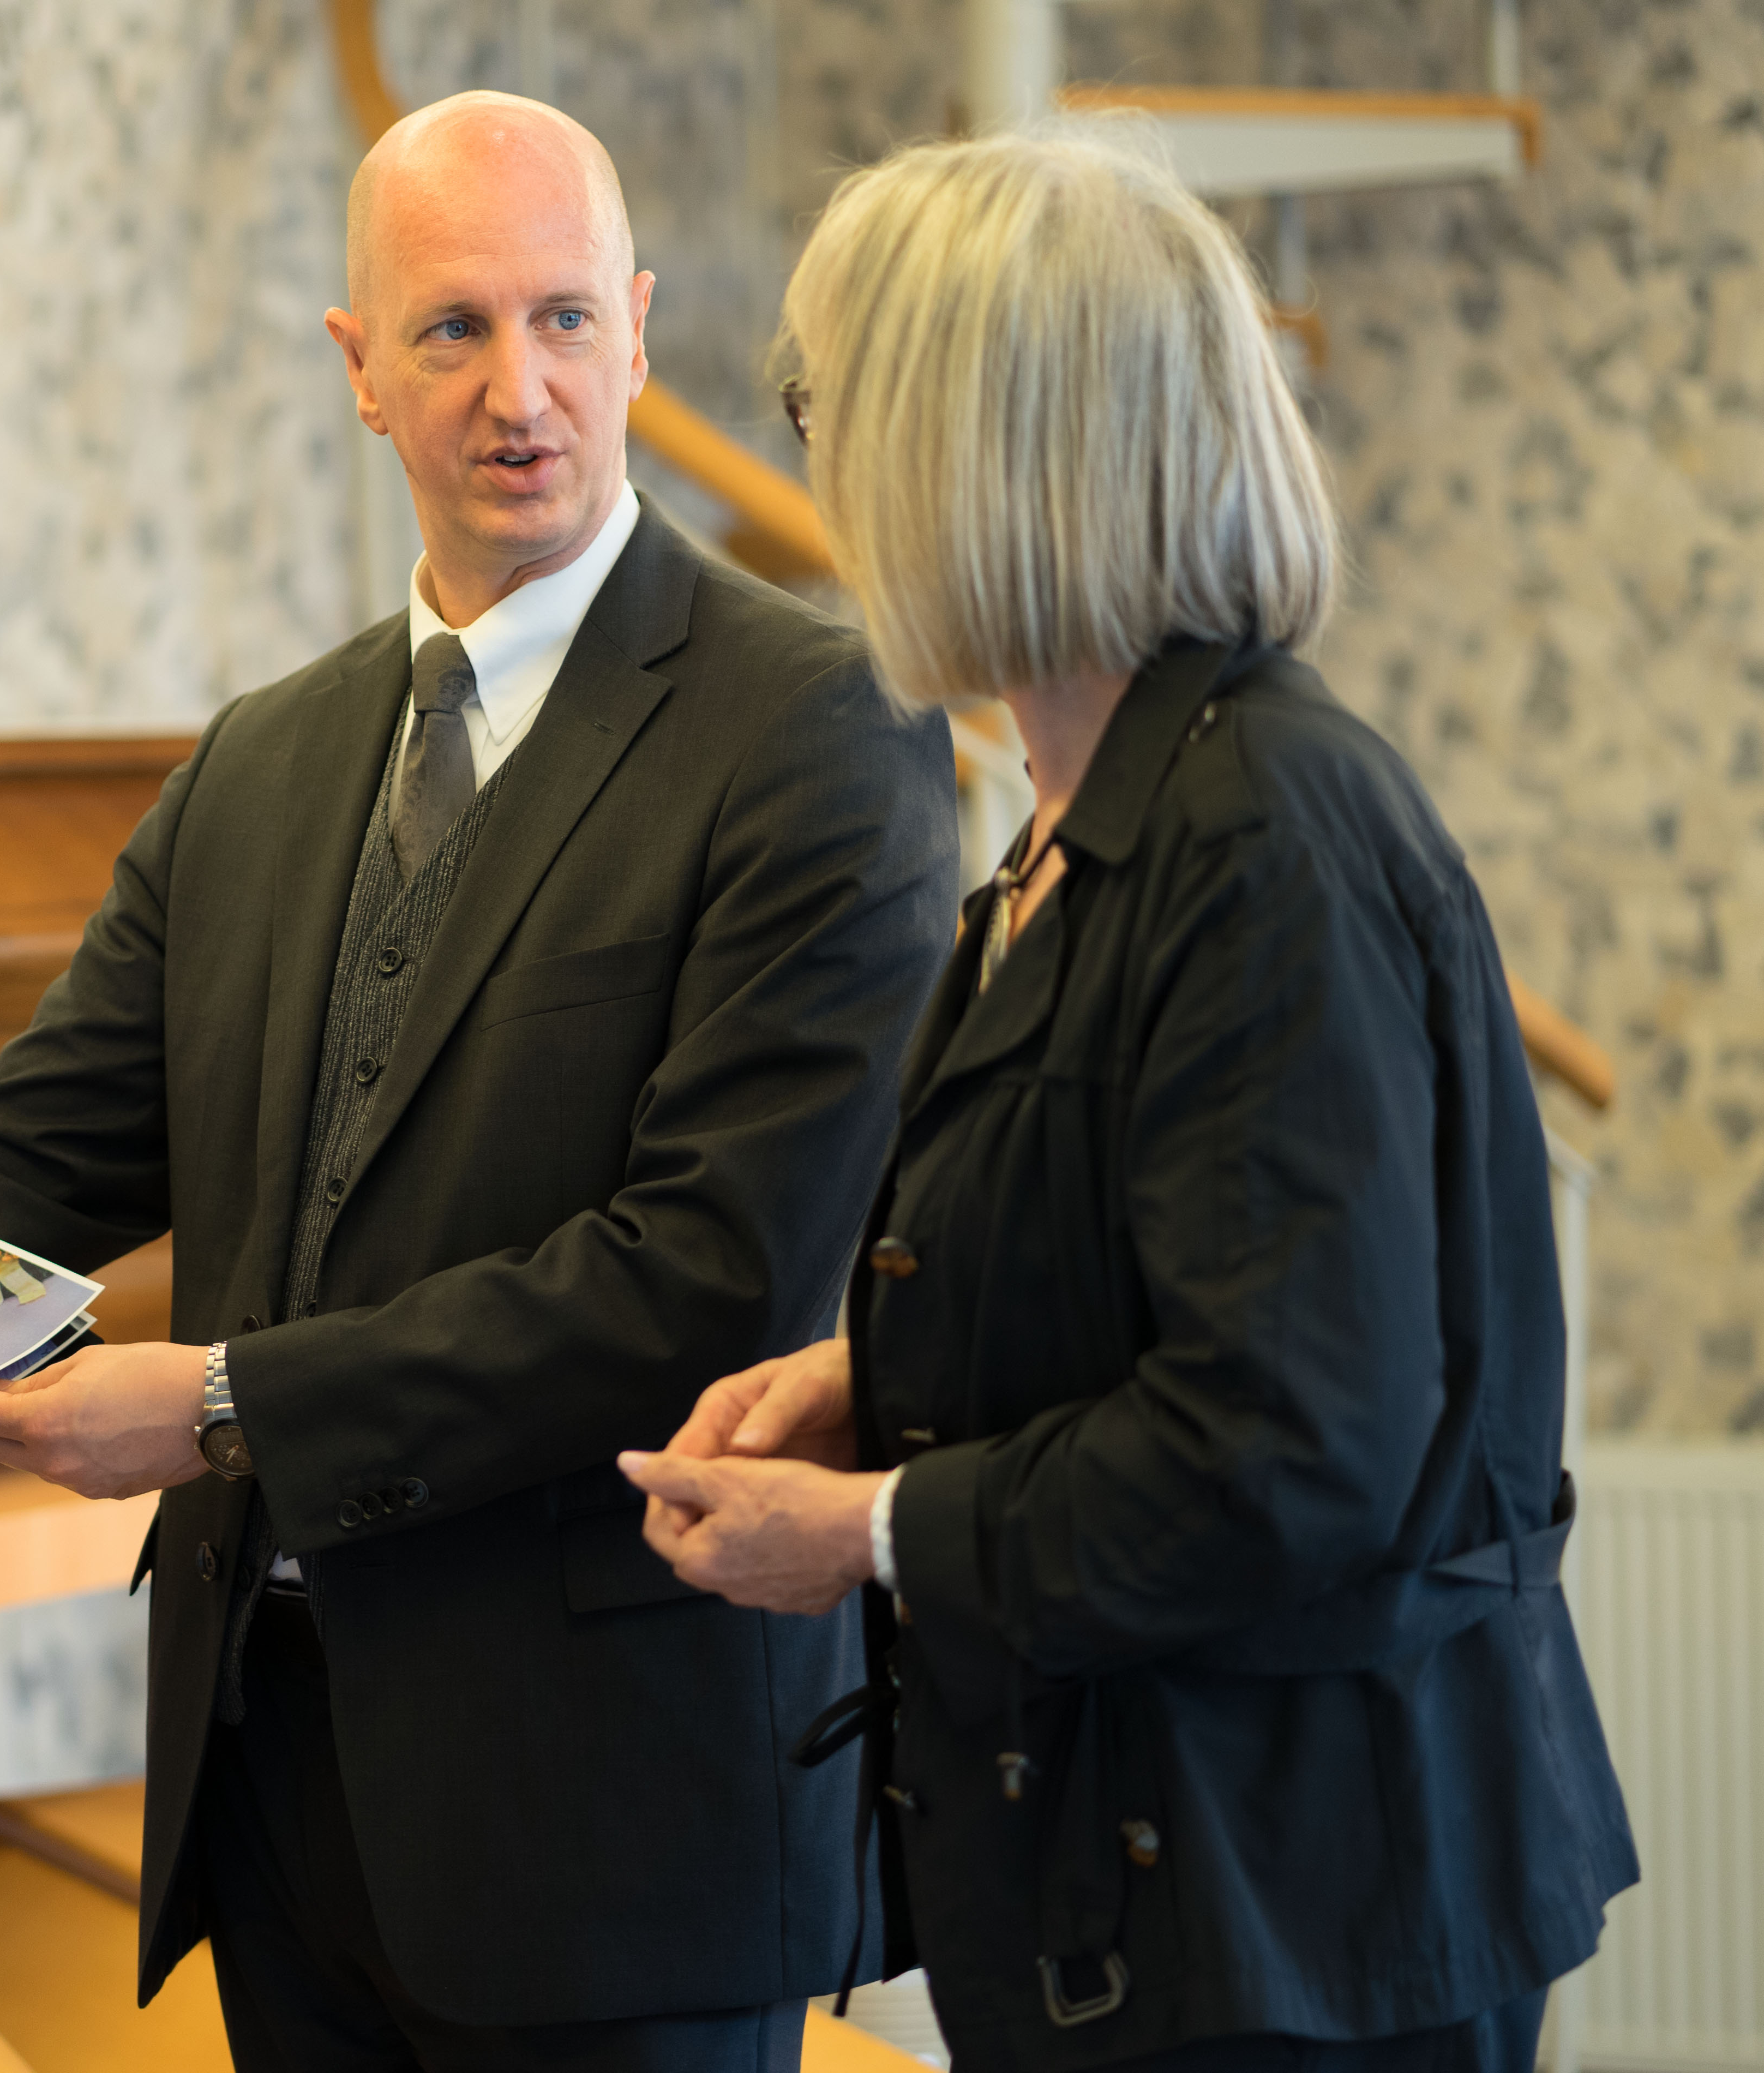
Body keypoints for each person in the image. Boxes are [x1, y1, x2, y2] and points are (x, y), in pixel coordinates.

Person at [0, 89, 959, 2071]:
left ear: (636, 327)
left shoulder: (820, 729)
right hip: (273, 1784)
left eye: (561, 319)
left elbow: (709, 1278)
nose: (519, 391)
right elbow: (28, 1155)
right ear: (361, 368)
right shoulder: (258, 763)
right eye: (452, 330)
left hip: (616, 1819)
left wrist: (223, 1403)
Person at [617, 125, 1639, 2072]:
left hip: (1297, 1918)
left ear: (973, 442)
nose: (818, 462)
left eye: (829, 403)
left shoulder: (1260, 835)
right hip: (1154, 1888)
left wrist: (871, 1529)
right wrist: (873, 1380)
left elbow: (1288, 1447)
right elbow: (1130, 1289)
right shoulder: (1073, 824)